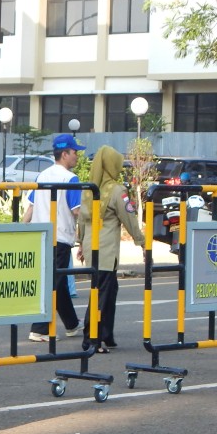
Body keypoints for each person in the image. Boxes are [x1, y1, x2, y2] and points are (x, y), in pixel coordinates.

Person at [76, 145, 144, 353]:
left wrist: (81, 243)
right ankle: (92, 338)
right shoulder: (117, 191)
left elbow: (81, 219)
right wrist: (141, 241)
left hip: (91, 246)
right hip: (105, 250)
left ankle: (106, 334)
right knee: (102, 294)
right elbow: (129, 218)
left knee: (108, 289)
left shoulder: (90, 189)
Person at [22, 133, 83, 342]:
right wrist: (86, 235)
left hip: (43, 236)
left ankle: (72, 324)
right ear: (64, 154)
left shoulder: (42, 176)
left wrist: (22, 230)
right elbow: (77, 211)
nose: (77, 156)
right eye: (75, 152)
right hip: (61, 237)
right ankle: (39, 329)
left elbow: (30, 208)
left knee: (58, 281)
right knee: (53, 282)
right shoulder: (70, 179)